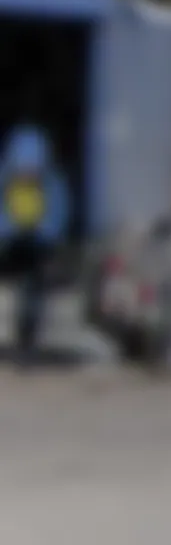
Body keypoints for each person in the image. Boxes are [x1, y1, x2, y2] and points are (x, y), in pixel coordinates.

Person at [0, 125, 71, 367]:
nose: (27, 173)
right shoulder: (6, 179)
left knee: (32, 290)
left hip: (37, 246)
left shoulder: (52, 183)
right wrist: (9, 230)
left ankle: (27, 337)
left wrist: (42, 233)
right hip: (10, 243)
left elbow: (58, 216)